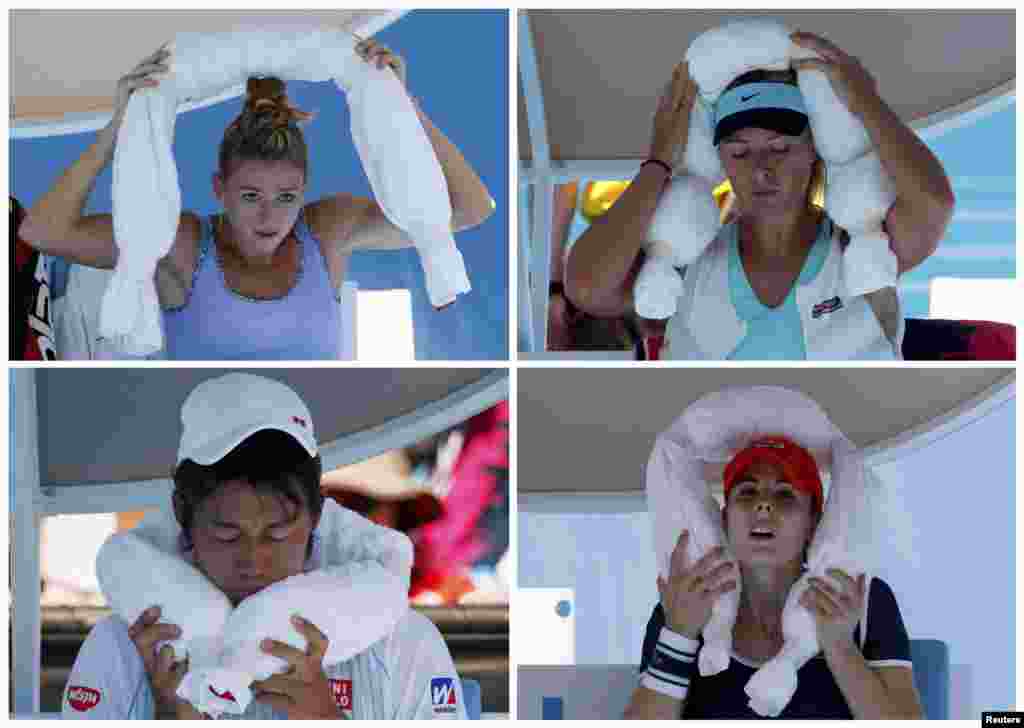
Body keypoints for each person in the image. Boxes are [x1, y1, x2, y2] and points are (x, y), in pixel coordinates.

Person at [20, 38, 495, 360]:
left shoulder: (327, 230)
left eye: (286, 197)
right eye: (250, 196)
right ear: (219, 190)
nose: (270, 215)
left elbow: (472, 208)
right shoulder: (184, 244)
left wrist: (403, 109)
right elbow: (41, 232)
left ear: (304, 191)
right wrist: (117, 129)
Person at [62, 373, 466, 719]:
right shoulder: (124, 646)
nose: (253, 559)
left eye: (277, 533)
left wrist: (327, 718)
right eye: (227, 534)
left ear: (316, 517)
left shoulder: (401, 642)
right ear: (183, 516)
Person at [565, 30, 954, 360]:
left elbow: (934, 203)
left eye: (780, 147)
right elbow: (586, 287)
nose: (761, 169)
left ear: (816, 146)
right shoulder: (684, 261)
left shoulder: (864, 248)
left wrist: (866, 103)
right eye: (739, 152)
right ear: (719, 160)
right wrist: (659, 163)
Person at [624, 436, 923, 719]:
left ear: (813, 523)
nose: (764, 504)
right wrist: (679, 634)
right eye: (747, 492)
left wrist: (840, 647)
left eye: (785, 495)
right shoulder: (683, 604)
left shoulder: (863, 599)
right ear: (725, 519)